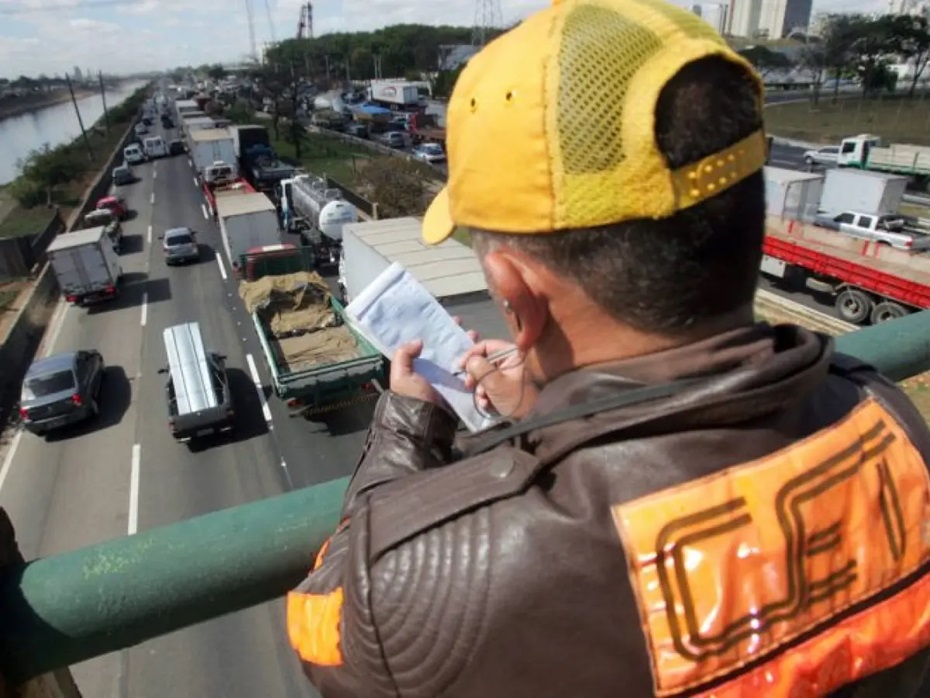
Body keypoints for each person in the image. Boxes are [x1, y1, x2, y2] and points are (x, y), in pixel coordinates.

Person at [286, 0, 930, 695]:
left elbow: (329, 621)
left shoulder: (415, 582)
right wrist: (547, 406)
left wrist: (408, 424)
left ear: (516, 295)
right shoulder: (885, 418)